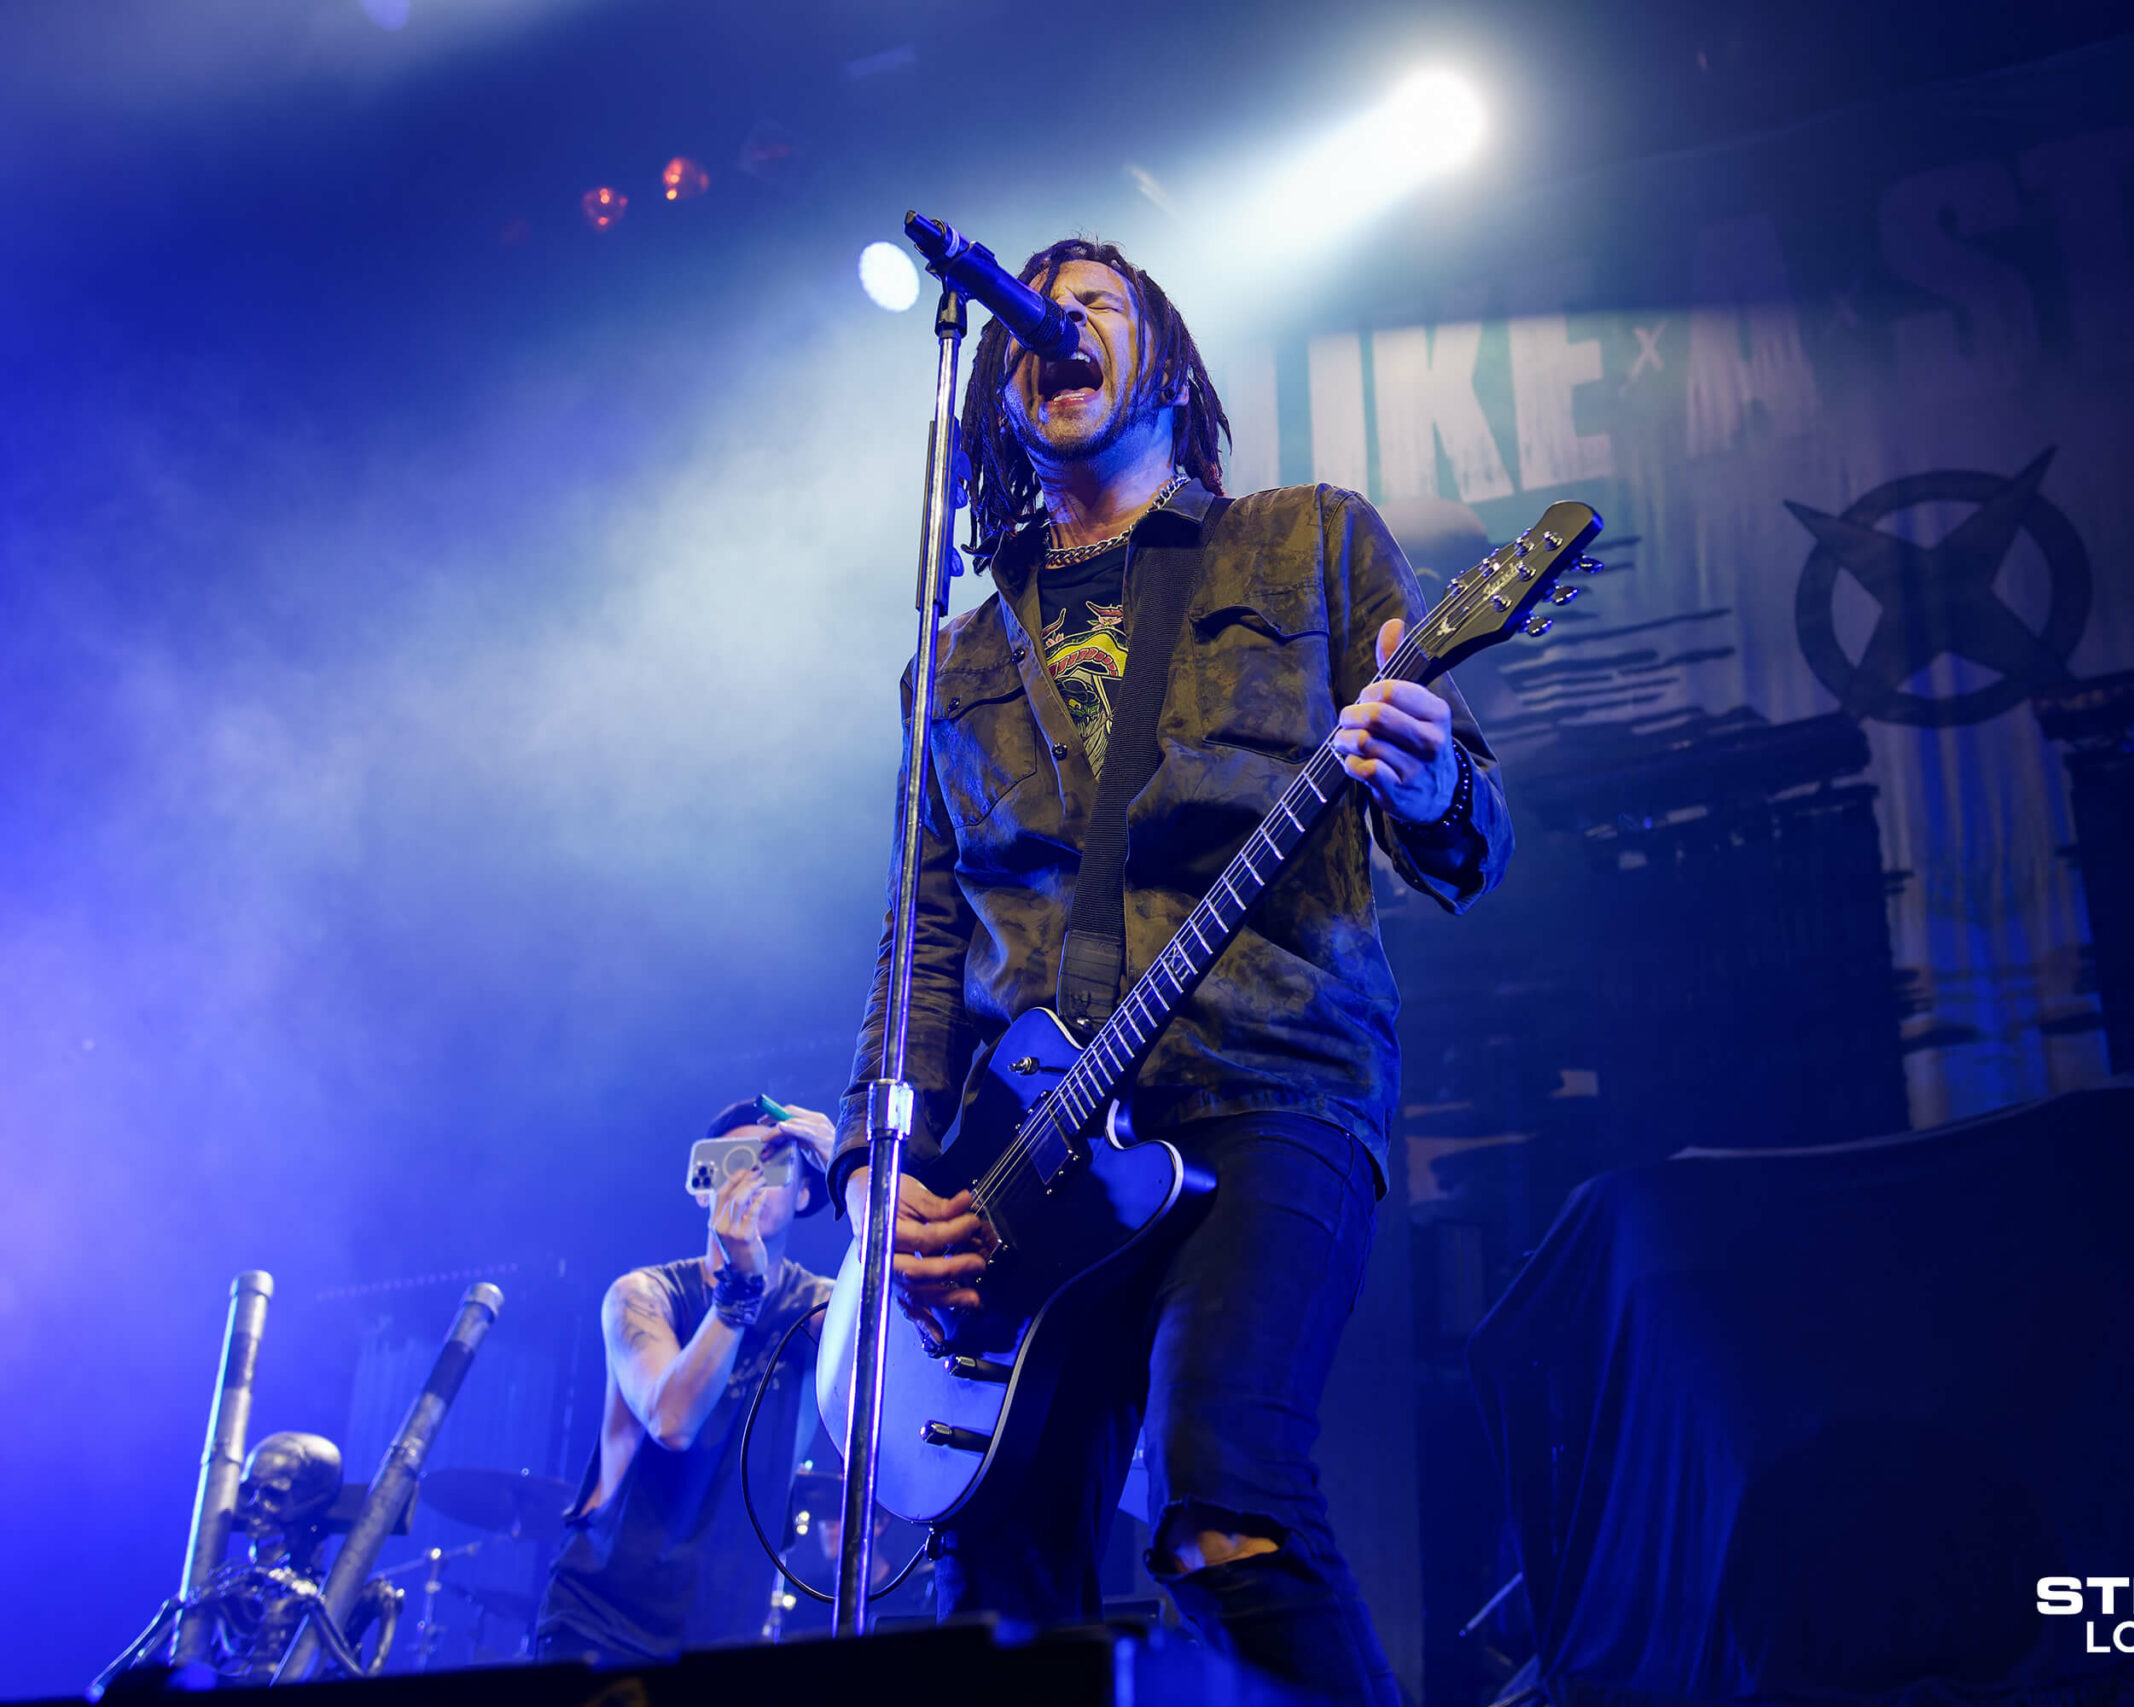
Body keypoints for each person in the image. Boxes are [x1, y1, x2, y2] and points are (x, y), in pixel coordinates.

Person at [837, 237, 1510, 1705]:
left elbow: (1471, 847)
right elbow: (923, 936)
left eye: (1093, 309)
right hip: (1026, 1153)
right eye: (1028, 320)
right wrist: (879, 1174)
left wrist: (1426, 780)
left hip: (1266, 1082)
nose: (1052, 330)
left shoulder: (1307, 543)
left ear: (1169, 362)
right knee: (997, 1571)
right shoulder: (951, 659)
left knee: (1223, 1492)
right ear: (998, 397)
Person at [535, 1099, 837, 1664]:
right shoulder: (643, 1295)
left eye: (771, 1162)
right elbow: (672, 1423)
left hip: (726, 1636)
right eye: (733, 1161)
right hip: (603, 1625)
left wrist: (855, 1162)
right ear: (703, 1187)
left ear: (803, 1193)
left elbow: (903, 1313)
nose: (749, 1177)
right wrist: (738, 1288)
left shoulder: (817, 1305)